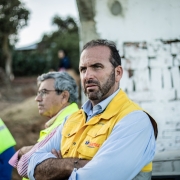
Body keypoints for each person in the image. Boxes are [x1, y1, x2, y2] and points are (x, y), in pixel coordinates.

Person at [15, 39, 158, 180]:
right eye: (83, 69)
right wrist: (72, 164)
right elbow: (30, 164)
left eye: (97, 67)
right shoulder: (72, 119)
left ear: (118, 73)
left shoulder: (134, 121)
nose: (87, 76)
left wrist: (55, 168)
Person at [9, 71, 79, 179]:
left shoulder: (68, 124)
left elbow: (25, 165)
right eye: (38, 93)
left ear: (64, 96)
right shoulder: (59, 122)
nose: (37, 98)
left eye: (44, 92)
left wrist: (22, 151)